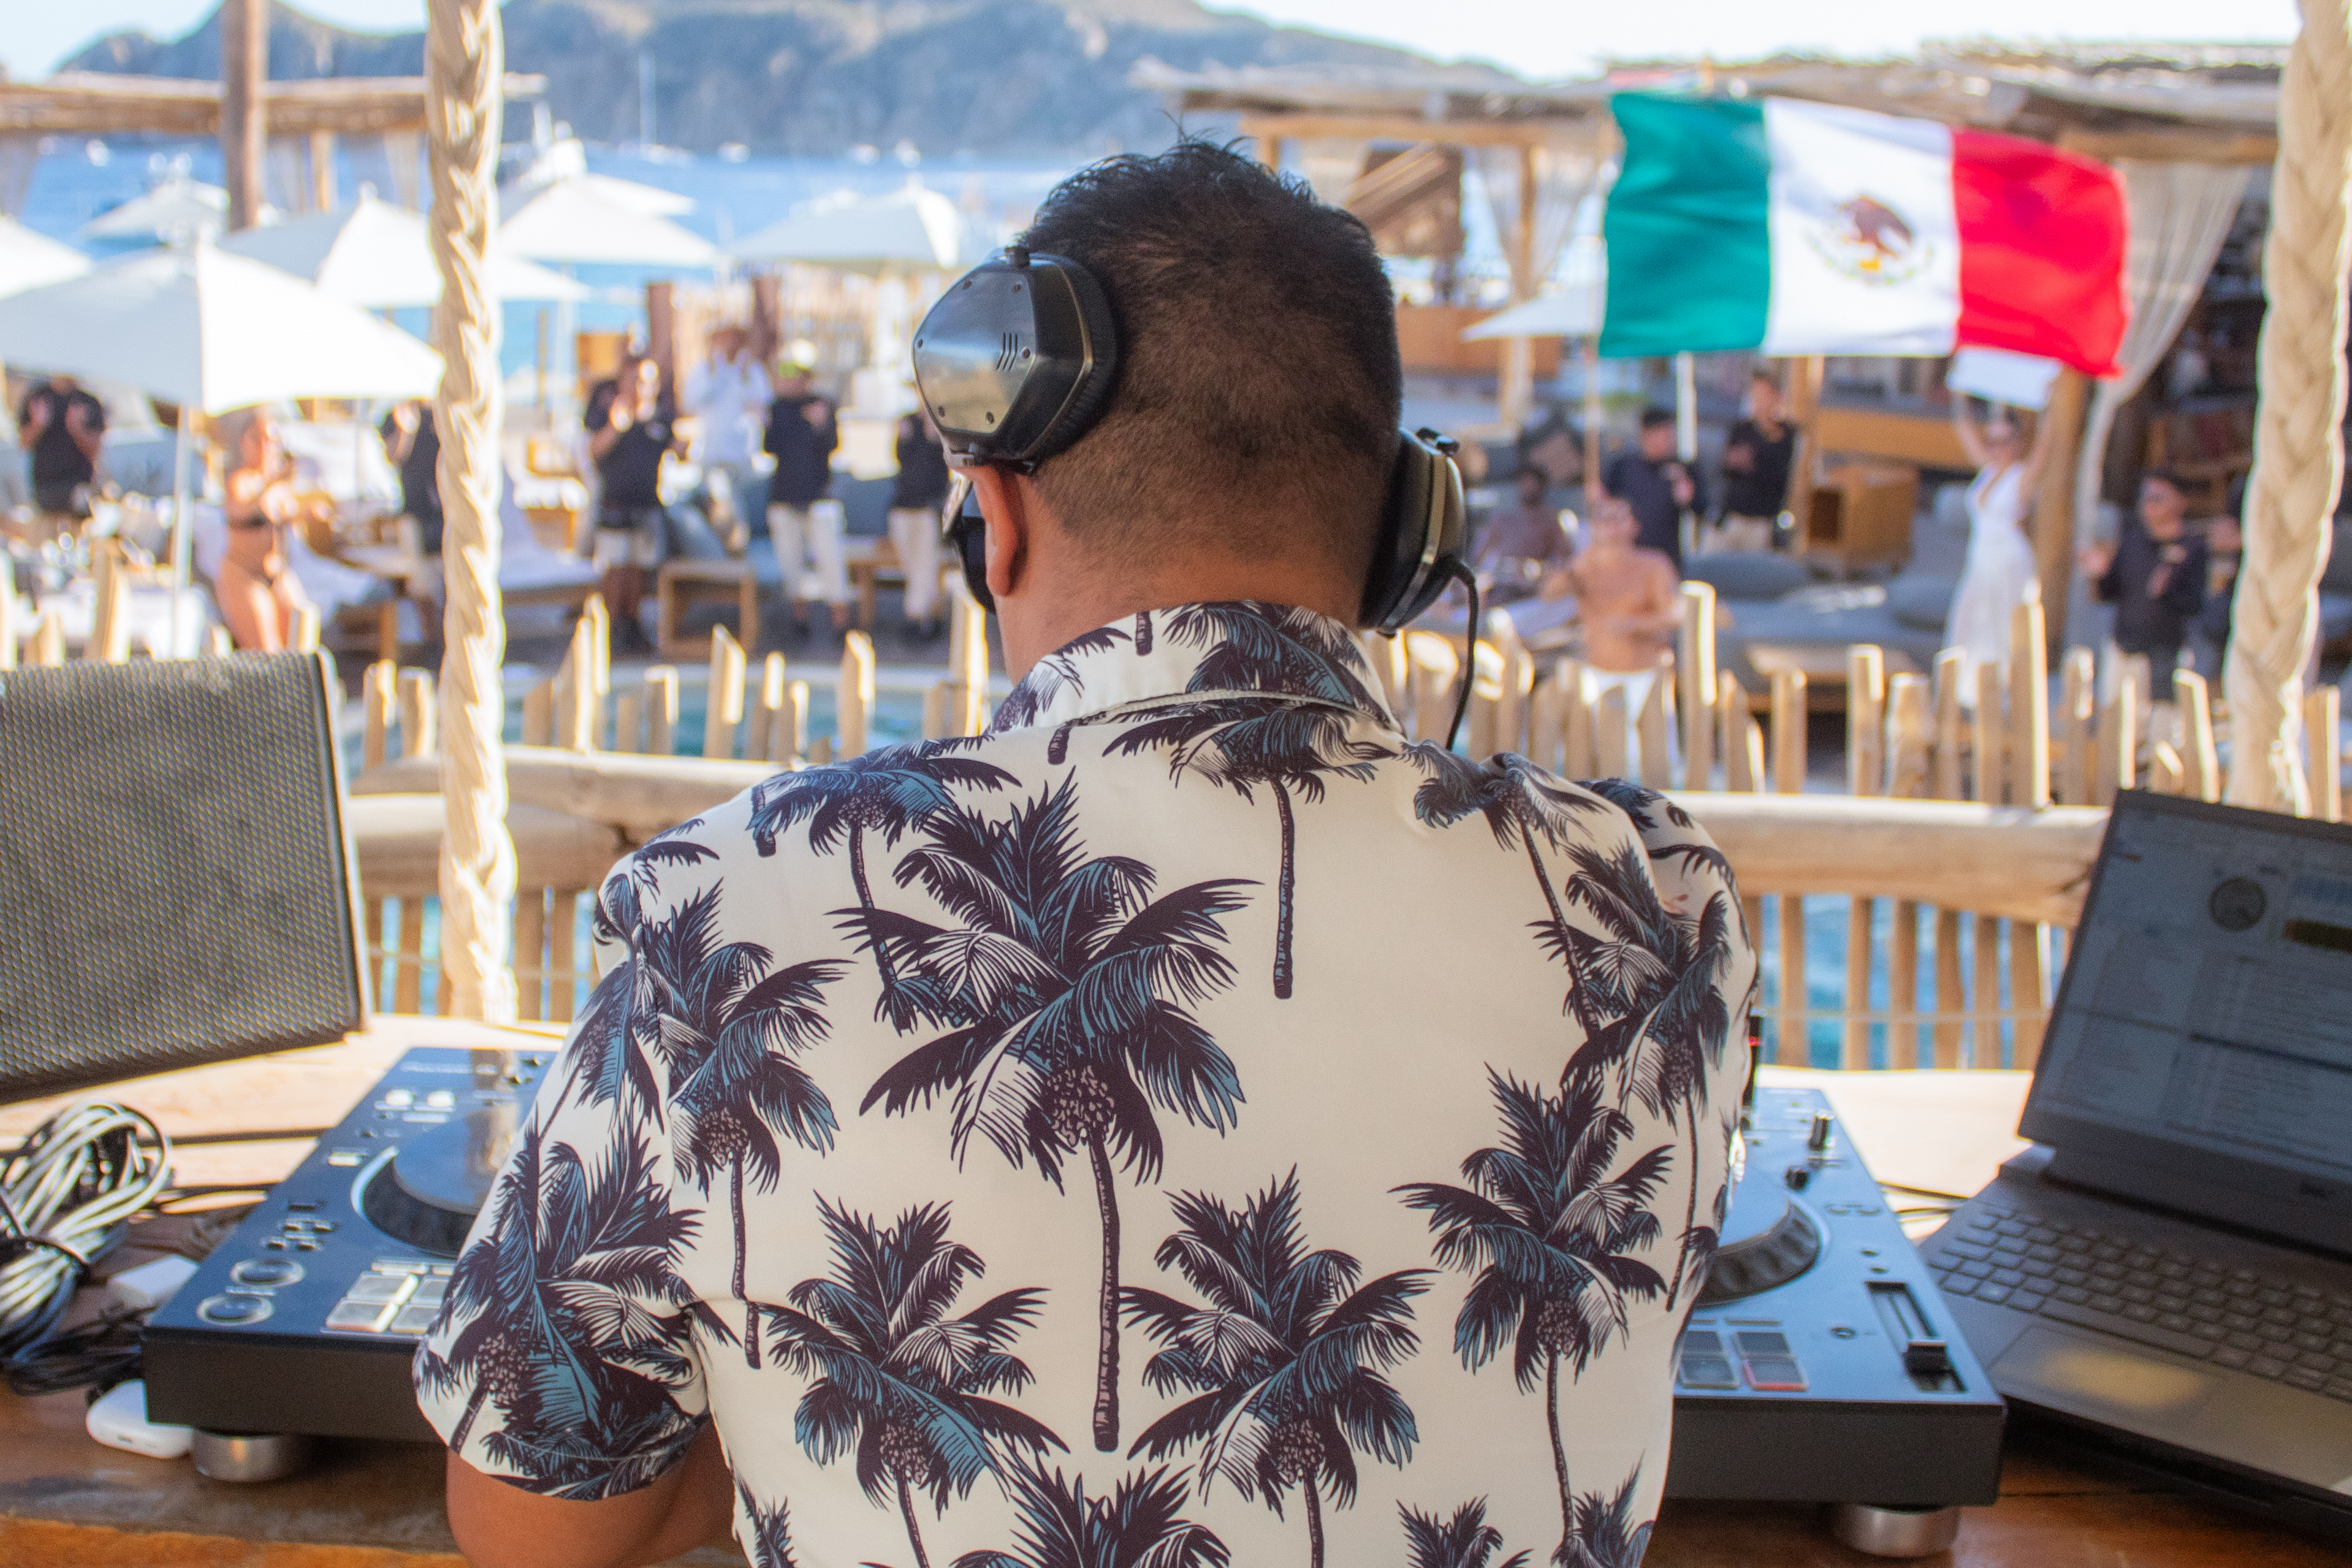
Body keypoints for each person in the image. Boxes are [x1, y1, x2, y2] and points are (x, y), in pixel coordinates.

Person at [420, 140, 1754, 1568]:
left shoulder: (733, 908)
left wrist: (767, 1430)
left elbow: (531, 1522)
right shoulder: (1660, 917)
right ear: (1404, 549)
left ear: (994, 520)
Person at [1551, 493, 1686, 755]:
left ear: (1634, 525)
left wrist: (1632, 625)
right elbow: (1549, 593)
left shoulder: (1653, 564)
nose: (1609, 523)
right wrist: (1578, 563)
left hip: (1644, 680)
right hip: (1595, 676)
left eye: (1618, 518)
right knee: (1590, 761)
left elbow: (1674, 616)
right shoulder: (1583, 566)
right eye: (1603, 518)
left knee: (1647, 764)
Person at [1944, 397, 2056, 702]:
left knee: (2007, 628)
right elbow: (1963, 427)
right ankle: (1970, 693)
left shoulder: (2020, 478)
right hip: (1981, 558)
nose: (1997, 448)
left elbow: (2045, 447)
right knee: (1973, 622)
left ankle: (2009, 695)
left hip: (2009, 559)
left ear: (2016, 444)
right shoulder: (1987, 472)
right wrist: (1961, 389)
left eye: (2004, 442)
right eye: (1992, 442)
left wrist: (2050, 405)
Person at [2082, 470, 2208, 709]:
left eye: (2158, 498)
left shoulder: (2192, 549)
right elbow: (2110, 593)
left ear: (2180, 503)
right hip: (2124, 649)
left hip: (2164, 656)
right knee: (2116, 722)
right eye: (2145, 498)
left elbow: (2195, 604)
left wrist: (2166, 589)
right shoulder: (2132, 541)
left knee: (2161, 725)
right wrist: (2098, 575)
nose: (2149, 505)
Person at [585, 355, 680, 653]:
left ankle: (633, 625)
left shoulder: (659, 419)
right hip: (616, 505)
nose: (641, 387)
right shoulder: (610, 413)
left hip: (648, 505)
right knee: (615, 568)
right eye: (635, 380)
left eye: (647, 381)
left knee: (640, 569)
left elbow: (676, 450)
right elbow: (594, 452)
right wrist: (616, 427)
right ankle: (608, 628)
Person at [213, 408, 313, 651]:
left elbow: (292, 515)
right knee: (265, 650)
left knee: (303, 632)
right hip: (244, 573)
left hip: (276, 573)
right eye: (257, 439)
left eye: (270, 440)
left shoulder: (281, 487)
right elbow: (252, 511)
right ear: (244, 443)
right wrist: (276, 483)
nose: (264, 447)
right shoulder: (241, 481)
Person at [764, 362, 850, 639]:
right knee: (791, 561)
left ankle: (841, 621)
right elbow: (770, 447)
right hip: (785, 498)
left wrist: (821, 424)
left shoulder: (823, 405)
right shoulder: (778, 409)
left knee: (830, 557)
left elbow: (833, 445)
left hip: (818, 498)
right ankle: (798, 620)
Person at [681, 324, 771, 549]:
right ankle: (722, 549)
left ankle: (736, 550)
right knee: (719, 501)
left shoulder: (752, 371)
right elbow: (690, 403)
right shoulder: (703, 370)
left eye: (733, 340)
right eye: (722, 340)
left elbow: (764, 409)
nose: (727, 346)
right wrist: (715, 374)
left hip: (743, 457)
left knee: (737, 505)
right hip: (711, 454)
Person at [1474, 465, 1579, 639]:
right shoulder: (1502, 519)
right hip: (1499, 582)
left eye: (1533, 483)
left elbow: (1565, 562)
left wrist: (1538, 571)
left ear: (1542, 487)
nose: (1528, 487)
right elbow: (1479, 558)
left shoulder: (1551, 520)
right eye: (1524, 482)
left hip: (1530, 586)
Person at [1602, 406, 1700, 568]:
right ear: (1646, 434)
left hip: (1666, 560)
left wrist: (1687, 497)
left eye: (1671, 434)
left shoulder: (1684, 469)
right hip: (1627, 559)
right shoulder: (1622, 467)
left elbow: (1700, 509)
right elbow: (1605, 502)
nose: (1670, 440)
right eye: (1664, 434)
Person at [1712, 370, 1794, 553]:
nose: (1757, 401)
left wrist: (1753, 463)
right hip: (1733, 517)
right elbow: (1726, 468)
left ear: (1776, 397)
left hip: (1761, 522)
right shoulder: (1742, 429)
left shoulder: (1786, 434)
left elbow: (1780, 475)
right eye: (1754, 395)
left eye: (1762, 395)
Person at [887, 408, 950, 638]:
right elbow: (901, 460)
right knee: (914, 564)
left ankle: (915, 617)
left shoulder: (944, 422)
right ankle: (932, 614)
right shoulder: (908, 422)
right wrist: (903, 437)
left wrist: (936, 439)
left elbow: (946, 465)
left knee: (923, 561)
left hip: (928, 507)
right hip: (904, 505)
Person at [17, 373, 105, 526]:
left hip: (78, 488)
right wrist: (38, 425)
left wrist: (77, 429)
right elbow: (24, 444)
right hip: (46, 488)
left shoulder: (88, 401)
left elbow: (96, 450)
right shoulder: (38, 397)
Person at [379, 400, 443, 557]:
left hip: (443, 506)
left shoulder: (441, 414)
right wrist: (405, 431)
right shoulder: (397, 415)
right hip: (414, 511)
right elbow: (393, 457)